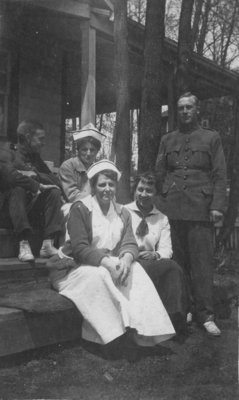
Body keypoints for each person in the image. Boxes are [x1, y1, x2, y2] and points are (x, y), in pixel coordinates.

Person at [48, 160, 175, 356]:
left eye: (111, 184)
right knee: (100, 275)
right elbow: (80, 248)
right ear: (93, 186)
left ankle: (146, 333)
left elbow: (130, 242)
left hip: (104, 263)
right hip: (72, 267)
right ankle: (106, 338)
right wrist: (107, 263)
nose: (107, 189)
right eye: (102, 185)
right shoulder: (80, 208)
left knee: (135, 270)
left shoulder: (122, 211)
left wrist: (126, 258)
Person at [156, 92, 227, 336]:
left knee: (202, 264)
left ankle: (205, 314)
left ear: (197, 110)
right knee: (178, 263)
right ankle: (183, 308)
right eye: (181, 108)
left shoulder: (211, 138)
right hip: (173, 210)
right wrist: (161, 201)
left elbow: (220, 174)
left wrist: (217, 205)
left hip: (200, 209)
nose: (184, 112)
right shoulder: (168, 139)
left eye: (189, 107)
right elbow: (159, 172)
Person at [125, 172, 187, 335]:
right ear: (134, 190)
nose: (143, 194)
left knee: (173, 267)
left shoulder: (161, 218)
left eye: (149, 190)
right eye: (140, 189)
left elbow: (167, 249)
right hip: (128, 260)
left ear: (156, 194)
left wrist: (156, 255)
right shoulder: (124, 211)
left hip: (150, 263)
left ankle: (174, 319)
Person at [5, 120, 64, 261]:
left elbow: (54, 181)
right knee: (18, 188)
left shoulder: (35, 158)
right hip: (8, 213)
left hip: (29, 212)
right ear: (27, 137)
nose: (43, 143)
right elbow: (10, 177)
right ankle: (23, 243)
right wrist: (28, 179)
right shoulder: (8, 154)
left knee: (54, 191)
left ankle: (47, 244)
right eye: (40, 139)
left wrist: (35, 174)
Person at [59, 123, 105, 205]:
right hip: (72, 208)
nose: (88, 153)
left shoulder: (98, 169)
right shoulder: (68, 166)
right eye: (84, 149)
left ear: (97, 151)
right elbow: (73, 197)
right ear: (78, 150)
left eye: (92, 150)